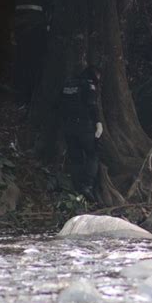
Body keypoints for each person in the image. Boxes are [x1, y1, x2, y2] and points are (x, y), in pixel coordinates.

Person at [59, 65, 103, 201]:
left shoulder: (68, 84)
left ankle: (76, 187)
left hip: (67, 127)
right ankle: (87, 186)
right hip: (83, 127)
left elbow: (58, 104)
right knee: (93, 154)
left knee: (76, 158)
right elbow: (92, 105)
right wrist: (98, 123)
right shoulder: (88, 85)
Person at [14, 0, 53, 110]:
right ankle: (27, 98)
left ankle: (25, 98)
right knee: (31, 66)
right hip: (34, 30)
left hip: (26, 30)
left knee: (25, 65)